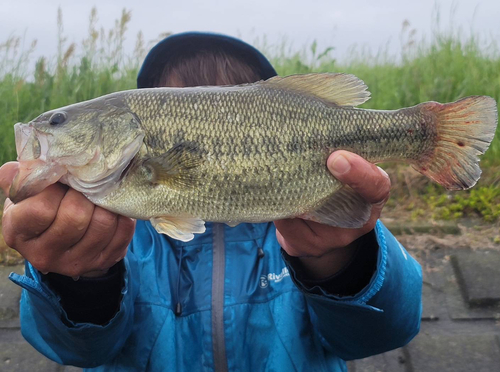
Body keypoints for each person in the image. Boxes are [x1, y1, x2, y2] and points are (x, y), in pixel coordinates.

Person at [0, 32, 422, 371]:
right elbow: (83, 351)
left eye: (57, 123)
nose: (48, 128)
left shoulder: (303, 232)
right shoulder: (123, 232)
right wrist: (80, 280)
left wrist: (341, 261)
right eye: (58, 120)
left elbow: (380, 335)